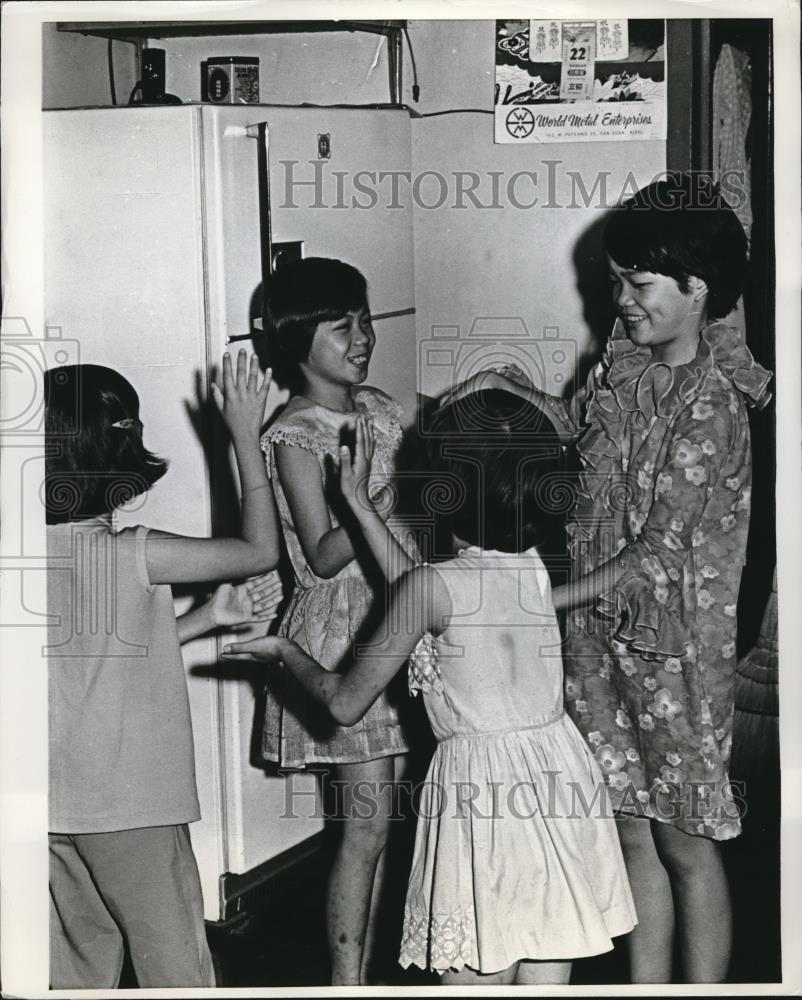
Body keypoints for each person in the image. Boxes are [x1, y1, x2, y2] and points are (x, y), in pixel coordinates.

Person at [450, 174, 772, 982]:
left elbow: (656, 551)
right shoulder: (621, 370)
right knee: (628, 828)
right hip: (598, 644)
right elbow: (584, 459)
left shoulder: (713, 404)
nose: (621, 300)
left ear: (697, 289)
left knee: (686, 841)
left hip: (676, 655)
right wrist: (516, 397)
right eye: (615, 281)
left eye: (639, 283)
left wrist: (526, 601)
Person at [225, 390, 637, 986]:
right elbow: (426, 596)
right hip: (556, 784)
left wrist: (287, 652)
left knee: (475, 971)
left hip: (481, 799)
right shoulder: (526, 566)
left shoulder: (432, 588)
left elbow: (344, 700)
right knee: (546, 965)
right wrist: (361, 509)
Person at [46, 352, 279, 989]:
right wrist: (242, 435)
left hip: (49, 806)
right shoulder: (132, 552)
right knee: (177, 971)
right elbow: (259, 549)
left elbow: (95, 667)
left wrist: (207, 617)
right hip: (134, 806)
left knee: (74, 971)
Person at [259, 257, 419, 985]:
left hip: (396, 610)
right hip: (345, 629)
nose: (362, 337)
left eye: (365, 320)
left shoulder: (380, 406)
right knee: (363, 827)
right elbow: (322, 556)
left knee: (382, 823)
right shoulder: (296, 433)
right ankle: (344, 981)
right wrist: (386, 496)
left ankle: (363, 969)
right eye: (342, 326)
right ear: (298, 341)